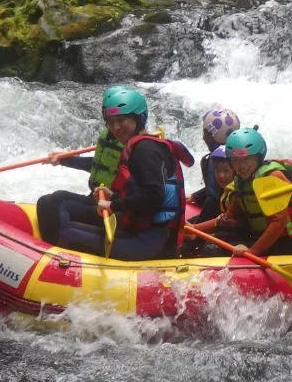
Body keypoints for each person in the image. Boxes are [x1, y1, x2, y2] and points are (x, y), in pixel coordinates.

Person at [37, 89, 195, 261]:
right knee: (52, 202)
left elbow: (155, 195)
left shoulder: (145, 151)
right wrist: (114, 196)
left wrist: (114, 205)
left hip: (149, 241)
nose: (116, 128)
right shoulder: (141, 147)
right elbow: (143, 193)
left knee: (68, 234)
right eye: (111, 122)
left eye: (121, 120)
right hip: (137, 227)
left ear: (138, 119)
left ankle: (49, 267)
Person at [192, 127, 292, 256]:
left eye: (247, 159)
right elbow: (230, 216)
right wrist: (195, 229)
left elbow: (278, 223)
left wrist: (252, 251)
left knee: (211, 250)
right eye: (236, 160)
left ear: (258, 156)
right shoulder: (241, 180)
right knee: (213, 242)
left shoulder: (271, 178)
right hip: (261, 237)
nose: (242, 166)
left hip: (285, 242)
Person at [37, 86, 126, 245]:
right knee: (46, 201)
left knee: (55, 201)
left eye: (120, 118)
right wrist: (64, 159)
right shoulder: (110, 136)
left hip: (115, 209)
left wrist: (114, 200)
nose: (115, 125)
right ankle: (53, 245)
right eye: (110, 118)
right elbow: (98, 165)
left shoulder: (132, 144)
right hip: (97, 199)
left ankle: (55, 251)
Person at [188, 107, 241, 223]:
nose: (203, 137)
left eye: (206, 133)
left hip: (222, 215)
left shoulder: (213, 160)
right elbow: (219, 188)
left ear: (214, 136)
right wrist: (196, 196)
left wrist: (197, 226)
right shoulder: (238, 155)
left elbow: (213, 198)